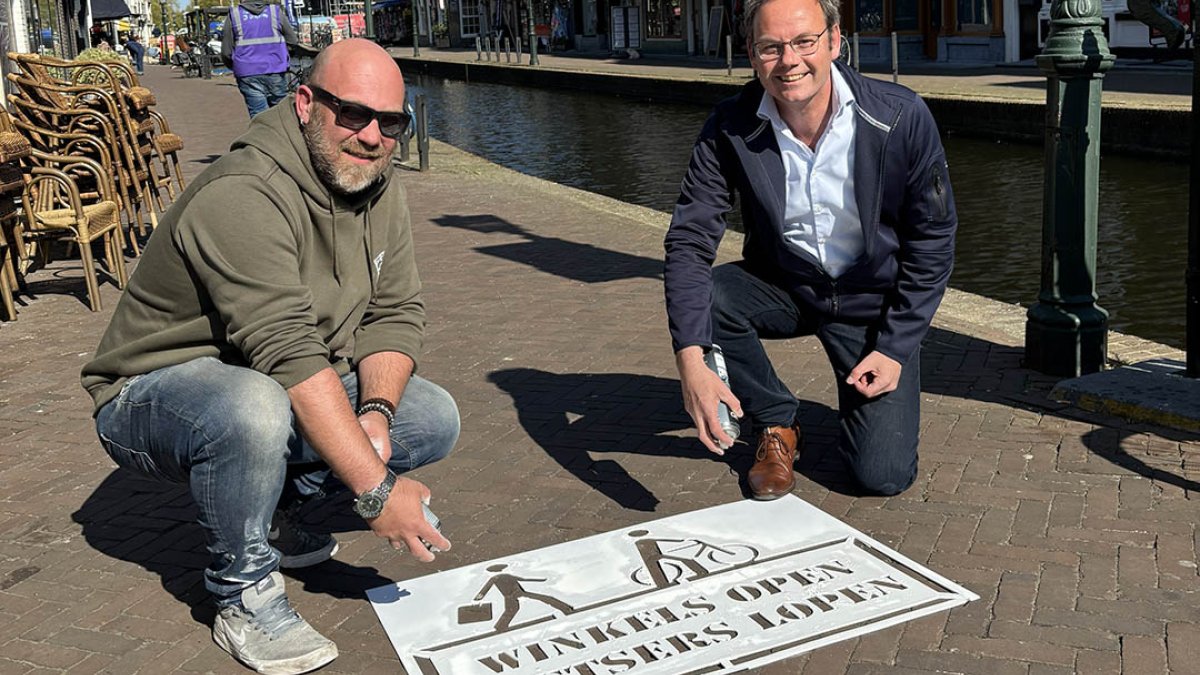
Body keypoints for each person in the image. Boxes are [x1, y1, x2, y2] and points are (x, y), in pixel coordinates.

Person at [81, 39, 458, 675]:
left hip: (268, 373)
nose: (372, 137)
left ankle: (274, 517)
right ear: (306, 103)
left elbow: (394, 314)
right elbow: (287, 351)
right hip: (152, 391)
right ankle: (242, 592)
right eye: (353, 115)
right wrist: (373, 489)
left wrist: (375, 415)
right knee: (253, 409)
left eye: (391, 123)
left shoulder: (375, 182)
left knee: (430, 415)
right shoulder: (244, 193)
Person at [663, 0, 957, 501]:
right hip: (789, 286)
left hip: (871, 305)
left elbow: (933, 239)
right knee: (710, 296)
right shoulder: (730, 126)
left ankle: (862, 404)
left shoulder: (900, 117)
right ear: (752, 57)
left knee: (880, 477)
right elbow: (690, 240)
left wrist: (894, 347)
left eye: (803, 42)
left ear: (834, 41)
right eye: (770, 47)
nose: (789, 60)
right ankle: (777, 421)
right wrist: (691, 359)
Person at [221, 0, 300, 117]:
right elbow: (293, 41)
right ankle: (283, 134)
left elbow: (226, 51)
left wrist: (234, 66)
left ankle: (265, 133)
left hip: (247, 71)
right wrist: (283, 56)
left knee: (259, 116)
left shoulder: (234, 15)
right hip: (275, 68)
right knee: (281, 113)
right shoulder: (275, 11)